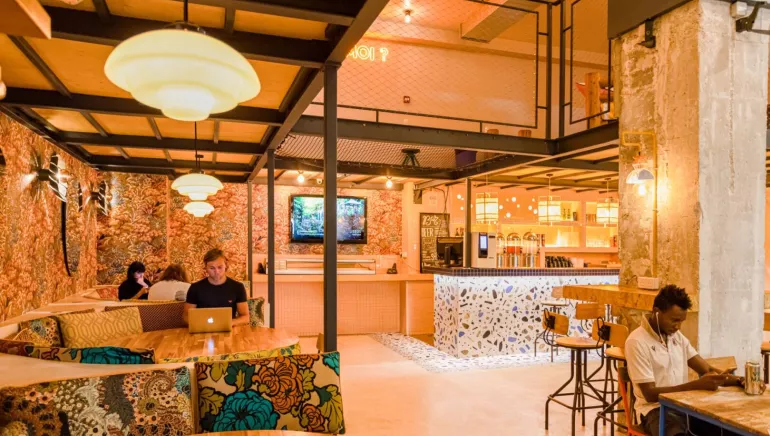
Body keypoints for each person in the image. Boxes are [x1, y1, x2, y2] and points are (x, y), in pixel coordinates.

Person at [625, 284, 743, 436]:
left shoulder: (677, 338)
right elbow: (650, 394)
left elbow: (707, 370)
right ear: (657, 312)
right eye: (674, 320)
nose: (678, 327)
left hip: (684, 406)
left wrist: (740, 381)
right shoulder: (637, 342)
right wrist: (696, 385)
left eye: (681, 321)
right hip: (655, 410)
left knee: (730, 429)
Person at [184, 249, 249, 327]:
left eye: (220, 267)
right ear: (206, 267)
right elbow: (186, 316)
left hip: (229, 329)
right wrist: (200, 324)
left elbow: (245, 317)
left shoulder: (237, 287)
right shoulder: (195, 288)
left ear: (226, 266)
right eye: (212, 268)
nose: (216, 271)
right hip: (203, 330)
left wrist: (230, 323)